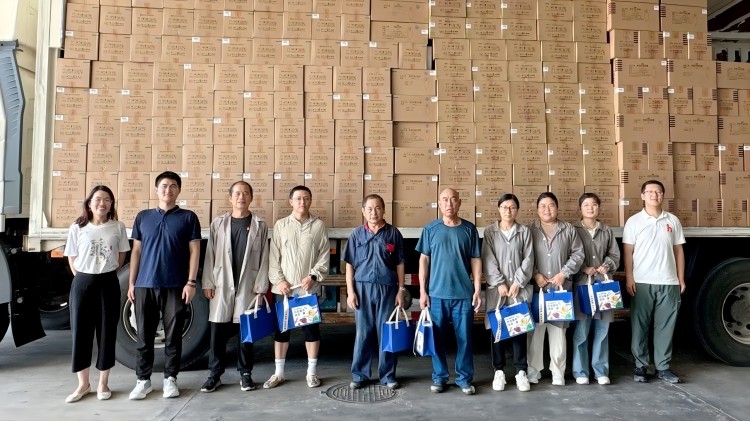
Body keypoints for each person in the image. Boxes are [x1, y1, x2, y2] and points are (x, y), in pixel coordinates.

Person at [127, 171, 202, 400]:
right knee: (144, 336)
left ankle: (170, 379)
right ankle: (143, 380)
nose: (167, 190)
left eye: (172, 186)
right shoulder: (143, 217)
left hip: (175, 285)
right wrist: (132, 283)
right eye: (164, 186)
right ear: (156, 189)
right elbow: (136, 251)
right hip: (145, 285)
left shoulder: (188, 217)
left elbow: (195, 251)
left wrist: (191, 282)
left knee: (173, 336)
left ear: (179, 190)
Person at [200, 181, 270, 393]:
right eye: (237, 193)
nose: (241, 197)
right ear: (230, 198)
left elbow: (264, 258)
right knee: (217, 329)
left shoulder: (259, 225)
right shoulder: (218, 223)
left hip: (248, 283)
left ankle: (245, 373)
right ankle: (215, 374)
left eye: (246, 193)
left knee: (245, 331)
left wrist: (261, 288)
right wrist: (208, 282)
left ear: (251, 198)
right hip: (221, 283)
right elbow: (210, 254)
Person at [63, 185, 130, 403]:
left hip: (108, 282)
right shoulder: (77, 227)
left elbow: (121, 256)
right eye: (98, 199)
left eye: (107, 199)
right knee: (81, 333)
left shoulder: (118, 227)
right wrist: (82, 277)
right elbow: (72, 255)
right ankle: (83, 384)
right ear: (89, 203)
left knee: (106, 332)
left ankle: (103, 383)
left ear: (112, 204)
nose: (102, 203)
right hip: (83, 282)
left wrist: (108, 273)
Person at [417, 188, 482, 395]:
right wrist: (423, 291)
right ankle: (439, 377)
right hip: (437, 295)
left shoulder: (469, 229)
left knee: (465, 339)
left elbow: (476, 259)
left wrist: (477, 289)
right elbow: (424, 260)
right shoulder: (430, 229)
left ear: (459, 203)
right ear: (439, 203)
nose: (449, 204)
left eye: (453, 200)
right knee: (436, 338)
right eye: (445, 200)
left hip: (463, 294)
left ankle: (464, 378)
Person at [264, 186, 329, 389]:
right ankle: (279, 373)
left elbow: (323, 255)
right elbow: (273, 257)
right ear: (291, 201)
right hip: (284, 290)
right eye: (298, 198)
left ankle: (311, 373)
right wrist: (279, 280)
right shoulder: (281, 225)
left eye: (306, 198)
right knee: (282, 331)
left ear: (311, 201)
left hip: (307, 290)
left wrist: (312, 276)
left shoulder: (318, 226)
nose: (302, 202)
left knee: (311, 331)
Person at [623, 180, 685, 384]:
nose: (654, 195)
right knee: (639, 326)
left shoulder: (672, 220)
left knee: (665, 327)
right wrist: (629, 277)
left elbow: (678, 251)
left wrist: (680, 279)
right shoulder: (634, 222)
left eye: (658, 191)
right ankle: (640, 366)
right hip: (642, 282)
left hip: (669, 282)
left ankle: (663, 367)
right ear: (642, 196)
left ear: (663, 195)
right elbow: (628, 252)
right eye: (649, 191)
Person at [343, 194, 406, 390]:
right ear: (363, 211)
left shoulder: (393, 233)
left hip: (388, 288)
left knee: (386, 332)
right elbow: (349, 265)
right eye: (369, 208)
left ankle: (387, 375)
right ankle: (359, 374)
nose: (373, 212)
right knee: (363, 333)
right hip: (362, 288)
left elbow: (400, 263)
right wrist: (350, 292)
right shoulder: (356, 234)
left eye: (378, 208)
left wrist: (401, 289)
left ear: (384, 210)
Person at [527, 192, 584, 386]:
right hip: (538, 290)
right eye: (542, 206)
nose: (547, 209)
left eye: (551, 205)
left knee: (558, 332)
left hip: (560, 290)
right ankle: (533, 370)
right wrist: (535, 274)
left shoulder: (568, 229)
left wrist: (564, 273)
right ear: (537, 209)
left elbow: (578, 254)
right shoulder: (529, 230)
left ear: (557, 208)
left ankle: (557, 372)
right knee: (535, 332)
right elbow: (524, 256)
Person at [481, 193, 534, 392]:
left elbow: (529, 259)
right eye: (504, 207)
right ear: (499, 209)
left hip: (518, 290)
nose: (508, 211)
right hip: (499, 291)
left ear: (517, 210)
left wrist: (518, 282)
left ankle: (521, 372)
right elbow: (487, 258)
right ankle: (499, 371)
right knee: (498, 330)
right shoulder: (490, 232)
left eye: (512, 207)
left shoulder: (524, 231)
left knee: (519, 328)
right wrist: (499, 282)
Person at [572, 193, 621, 386]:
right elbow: (568, 256)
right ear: (580, 209)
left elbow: (615, 255)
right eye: (586, 205)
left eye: (594, 204)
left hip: (603, 287)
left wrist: (607, 265)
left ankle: (600, 371)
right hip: (582, 285)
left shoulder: (606, 231)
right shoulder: (573, 230)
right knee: (581, 330)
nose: (590, 208)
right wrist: (583, 268)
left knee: (602, 329)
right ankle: (580, 371)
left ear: (599, 207)